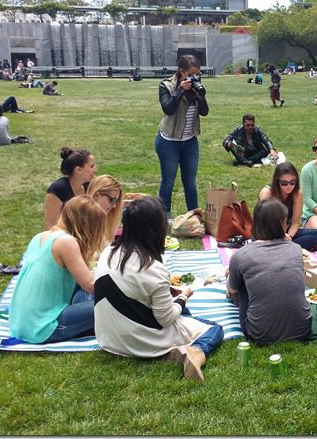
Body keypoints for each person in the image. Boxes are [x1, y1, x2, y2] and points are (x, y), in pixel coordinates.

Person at [94, 196, 223, 380]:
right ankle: (195, 352)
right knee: (214, 328)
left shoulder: (109, 252)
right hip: (141, 342)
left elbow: (130, 290)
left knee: (182, 312)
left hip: (108, 339)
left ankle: (177, 346)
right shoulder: (152, 269)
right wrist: (184, 296)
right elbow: (166, 319)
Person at [9, 195, 106, 344]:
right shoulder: (67, 242)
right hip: (45, 327)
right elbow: (91, 284)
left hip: (22, 325)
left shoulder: (40, 237)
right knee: (111, 304)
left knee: (86, 294)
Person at [226, 199, 312, 344]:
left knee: (240, 284)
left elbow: (232, 290)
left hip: (259, 333)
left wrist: (231, 275)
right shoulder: (295, 248)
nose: (288, 224)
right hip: (302, 329)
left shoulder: (241, 255)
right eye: (286, 221)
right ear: (280, 223)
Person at [155, 54, 209, 217]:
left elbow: (204, 112)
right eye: (191, 74)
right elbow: (168, 109)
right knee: (168, 182)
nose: (195, 77)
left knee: (190, 182)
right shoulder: (166, 85)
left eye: (197, 74)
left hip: (190, 141)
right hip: (168, 141)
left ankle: (193, 216)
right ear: (181, 71)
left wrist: (200, 97)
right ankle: (166, 217)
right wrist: (180, 91)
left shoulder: (196, 86)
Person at [259, 163, 317, 251]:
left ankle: (283, 247)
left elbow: (295, 222)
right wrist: (281, 236)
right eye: (284, 183)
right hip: (268, 232)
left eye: (292, 182)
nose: (289, 186)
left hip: (287, 231)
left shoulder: (297, 194)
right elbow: (264, 223)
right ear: (277, 181)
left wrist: (289, 236)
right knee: (262, 243)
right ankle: (288, 247)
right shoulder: (267, 193)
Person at [44, 147, 97, 230]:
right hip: (63, 239)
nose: (95, 169)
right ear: (79, 170)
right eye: (92, 166)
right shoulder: (58, 189)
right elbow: (50, 224)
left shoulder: (89, 186)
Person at [86, 175, 124, 245]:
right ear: (96, 195)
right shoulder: (79, 224)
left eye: (116, 201)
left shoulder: (105, 225)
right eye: (112, 200)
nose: (114, 206)